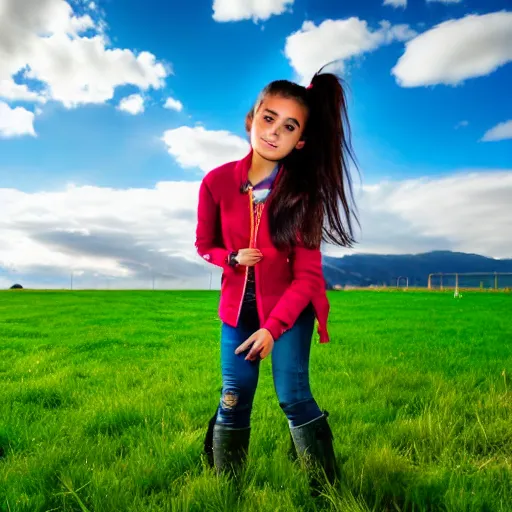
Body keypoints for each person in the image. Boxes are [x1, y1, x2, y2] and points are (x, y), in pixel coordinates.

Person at [195, 64, 358, 496]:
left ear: (300, 140)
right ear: (252, 118)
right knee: (234, 394)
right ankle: (223, 490)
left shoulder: (305, 197)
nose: (274, 132)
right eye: (269, 119)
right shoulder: (215, 183)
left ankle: (326, 489)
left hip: (289, 312)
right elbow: (203, 245)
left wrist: (273, 327)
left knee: (293, 394)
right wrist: (230, 257)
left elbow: (307, 279)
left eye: (289, 127)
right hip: (236, 311)